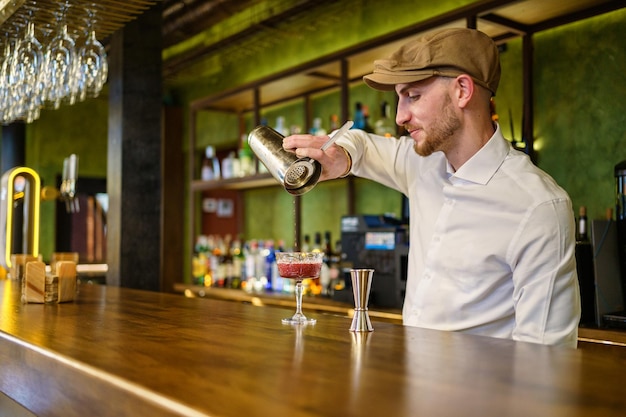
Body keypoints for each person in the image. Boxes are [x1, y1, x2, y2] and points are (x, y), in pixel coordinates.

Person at [283, 28, 581, 348]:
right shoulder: (423, 164)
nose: (400, 116)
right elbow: (362, 145)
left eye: (413, 96)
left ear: (462, 91)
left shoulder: (537, 206)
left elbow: (547, 361)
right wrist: (341, 157)